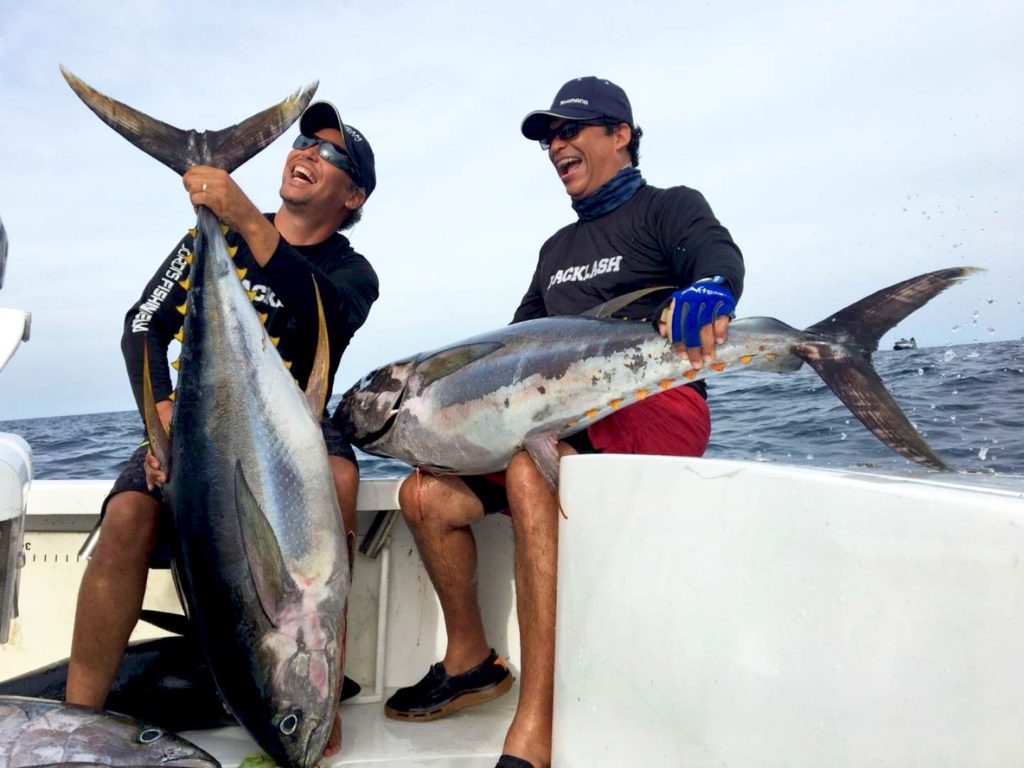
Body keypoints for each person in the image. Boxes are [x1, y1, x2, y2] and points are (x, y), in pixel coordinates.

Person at [383, 77, 744, 768]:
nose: (557, 145)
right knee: (423, 495)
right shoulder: (555, 249)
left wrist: (711, 288)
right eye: (549, 136)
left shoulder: (668, 209)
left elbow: (717, 257)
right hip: (547, 416)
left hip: (652, 405)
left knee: (526, 469)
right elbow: (511, 346)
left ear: (621, 134)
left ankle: (537, 722)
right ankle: (471, 662)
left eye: (571, 130)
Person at [65, 100, 379, 758]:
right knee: (126, 514)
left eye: (330, 155)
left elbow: (318, 315)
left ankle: (313, 683)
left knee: (341, 476)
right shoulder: (211, 243)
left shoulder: (352, 272)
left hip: (294, 427)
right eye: (302, 143)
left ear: (353, 195)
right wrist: (164, 422)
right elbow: (142, 327)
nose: (305, 155)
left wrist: (238, 213)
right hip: (201, 429)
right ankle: (77, 717)